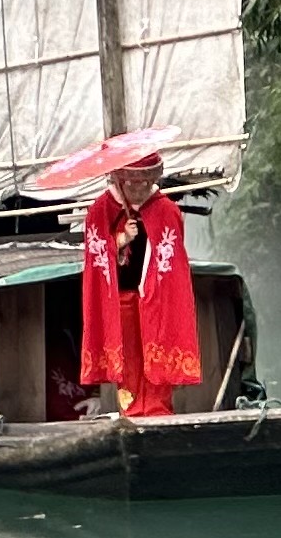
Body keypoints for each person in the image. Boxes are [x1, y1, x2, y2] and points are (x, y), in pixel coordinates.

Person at [75, 148, 200, 417]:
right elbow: (96, 257)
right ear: (120, 179)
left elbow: (172, 261)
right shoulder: (101, 211)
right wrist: (120, 240)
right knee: (129, 360)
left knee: (159, 353)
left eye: (145, 181)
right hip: (121, 300)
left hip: (157, 299)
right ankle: (131, 409)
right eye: (132, 182)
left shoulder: (166, 210)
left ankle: (158, 410)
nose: (139, 188)